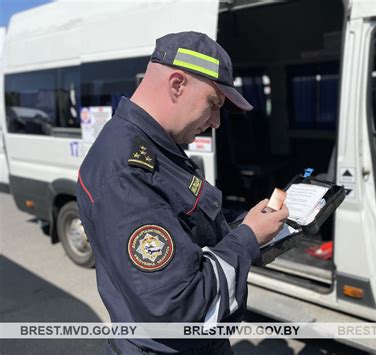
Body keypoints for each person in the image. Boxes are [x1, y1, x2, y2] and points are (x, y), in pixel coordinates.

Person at [76, 31, 289, 354]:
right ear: (177, 84)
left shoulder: (154, 146)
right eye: (214, 104)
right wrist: (246, 238)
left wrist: (251, 226)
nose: (216, 122)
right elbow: (180, 307)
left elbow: (189, 230)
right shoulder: (127, 171)